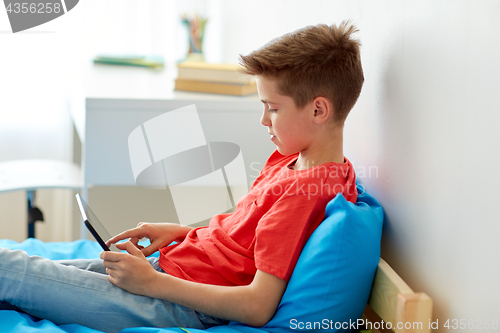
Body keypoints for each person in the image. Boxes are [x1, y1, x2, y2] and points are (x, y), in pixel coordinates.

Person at [0, 21, 364, 332]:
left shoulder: (305, 193)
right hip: (169, 267)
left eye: (272, 108)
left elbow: (258, 306)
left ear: (318, 109)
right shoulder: (293, 161)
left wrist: (154, 283)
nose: (264, 120)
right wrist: (182, 232)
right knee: (21, 271)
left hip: (173, 299)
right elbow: (244, 238)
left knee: (10, 270)